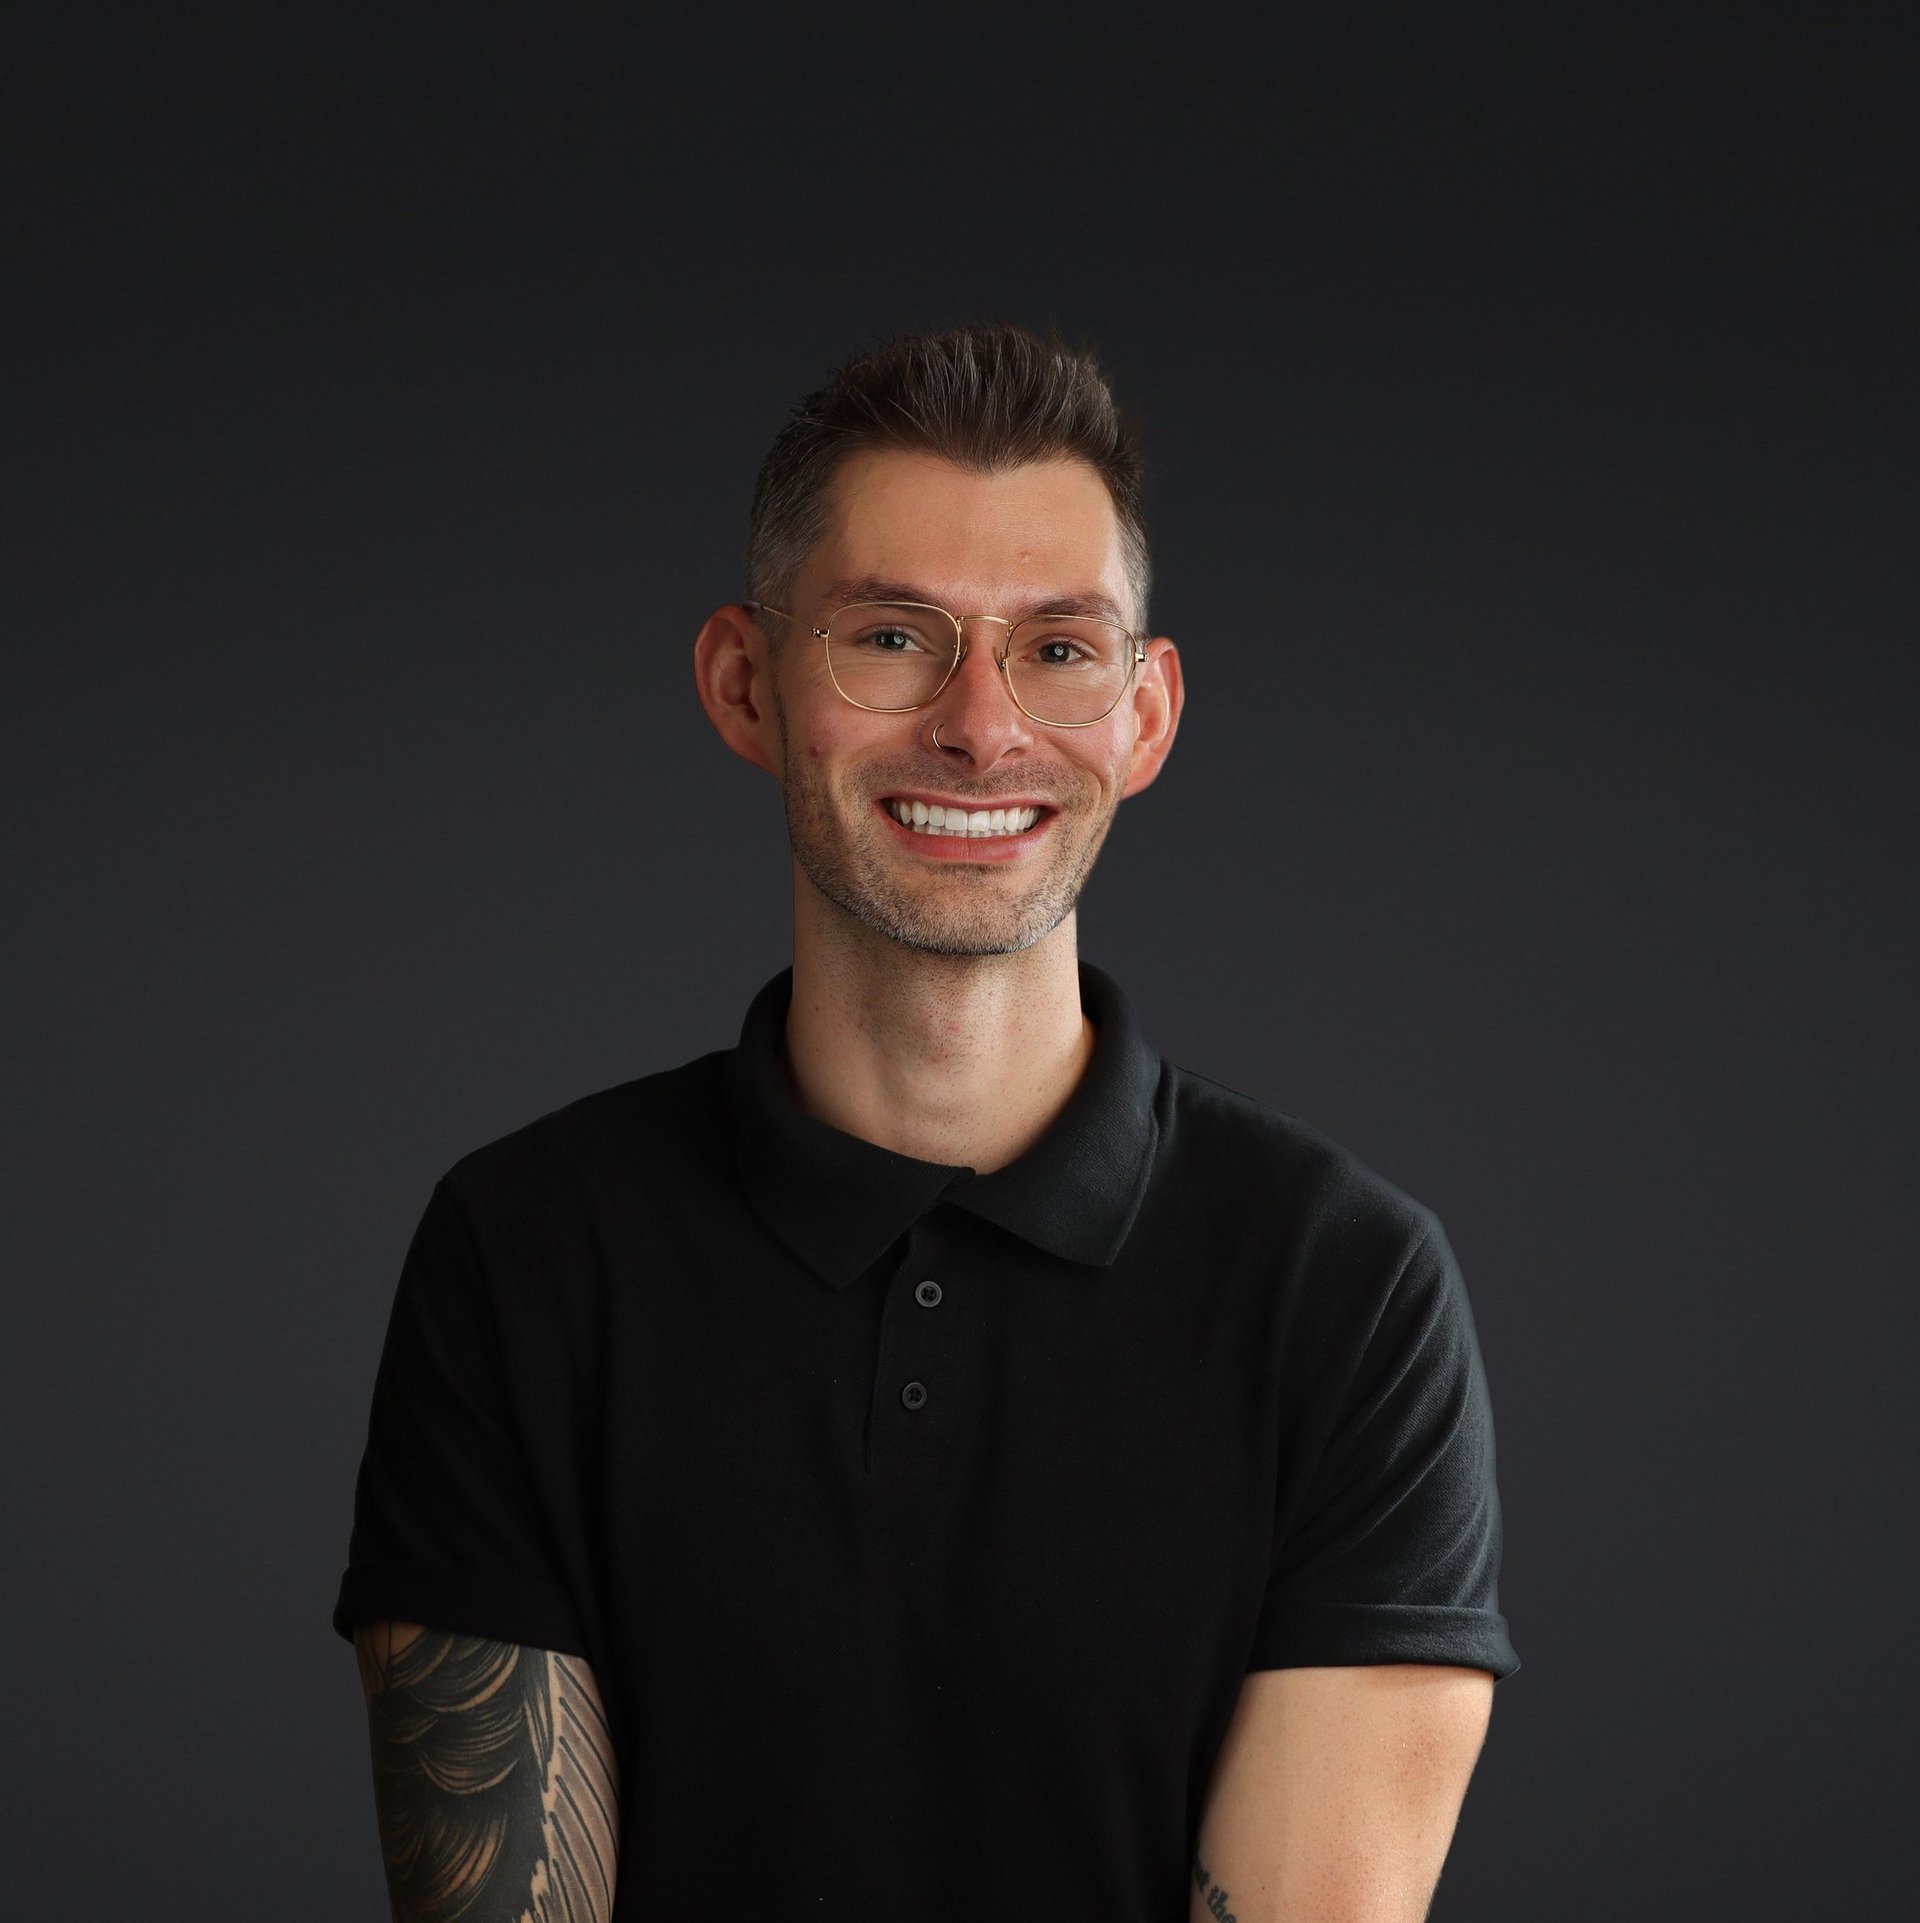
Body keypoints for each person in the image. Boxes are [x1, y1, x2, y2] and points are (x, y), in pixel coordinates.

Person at [332, 320, 1519, 1922]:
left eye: (1059, 649)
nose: (980, 726)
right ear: (745, 686)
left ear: (1146, 716)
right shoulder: (528, 1254)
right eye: (892, 638)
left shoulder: (1348, 1291)